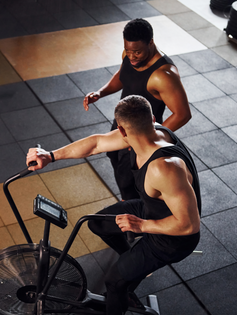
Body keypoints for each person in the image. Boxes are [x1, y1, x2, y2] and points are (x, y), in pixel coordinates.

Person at [27, 95, 201, 315]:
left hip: (172, 239)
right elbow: (97, 143)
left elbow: (189, 226)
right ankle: (134, 266)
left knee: (114, 283)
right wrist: (50, 156)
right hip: (151, 210)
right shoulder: (154, 129)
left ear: (121, 130)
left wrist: (142, 226)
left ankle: (125, 286)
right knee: (98, 224)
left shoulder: (163, 168)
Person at [83, 18, 191, 201]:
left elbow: (182, 114)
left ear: (151, 42)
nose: (132, 56)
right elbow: (123, 75)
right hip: (122, 125)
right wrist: (100, 93)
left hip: (141, 136)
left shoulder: (163, 75)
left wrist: (151, 138)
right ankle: (127, 205)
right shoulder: (129, 55)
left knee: (132, 182)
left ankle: (136, 220)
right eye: (128, 50)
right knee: (116, 162)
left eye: (137, 52)